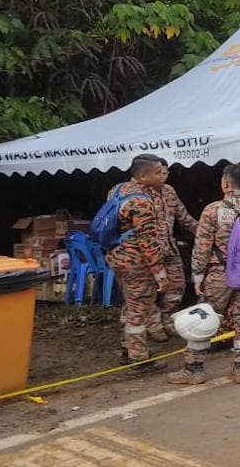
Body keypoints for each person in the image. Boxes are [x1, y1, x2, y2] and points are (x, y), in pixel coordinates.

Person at [168, 164, 240, 385]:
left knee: (205, 317)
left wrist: (197, 275)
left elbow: (202, 247)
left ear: (225, 183)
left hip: (219, 273)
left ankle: (194, 370)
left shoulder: (213, 210)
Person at [107, 154, 169, 374]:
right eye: (156, 172)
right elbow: (147, 241)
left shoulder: (117, 189)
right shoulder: (142, 201)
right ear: (143, 176)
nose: (161, 175)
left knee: (130, 304)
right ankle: (139, 359)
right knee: (139, 310)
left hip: (117, 258)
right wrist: (160, 272)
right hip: (136, 263)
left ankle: (127, 349)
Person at [148, 161, 198, 338]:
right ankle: (153, 326)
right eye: (158, 172)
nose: (162, 176)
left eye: (165, 172)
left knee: (177, 285)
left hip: (169, 248)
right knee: (146, 290)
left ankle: (167, 319)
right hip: (146, 251)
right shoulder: (136, 194)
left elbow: (184, 218)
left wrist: (205, 231)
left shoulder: (169, 191)